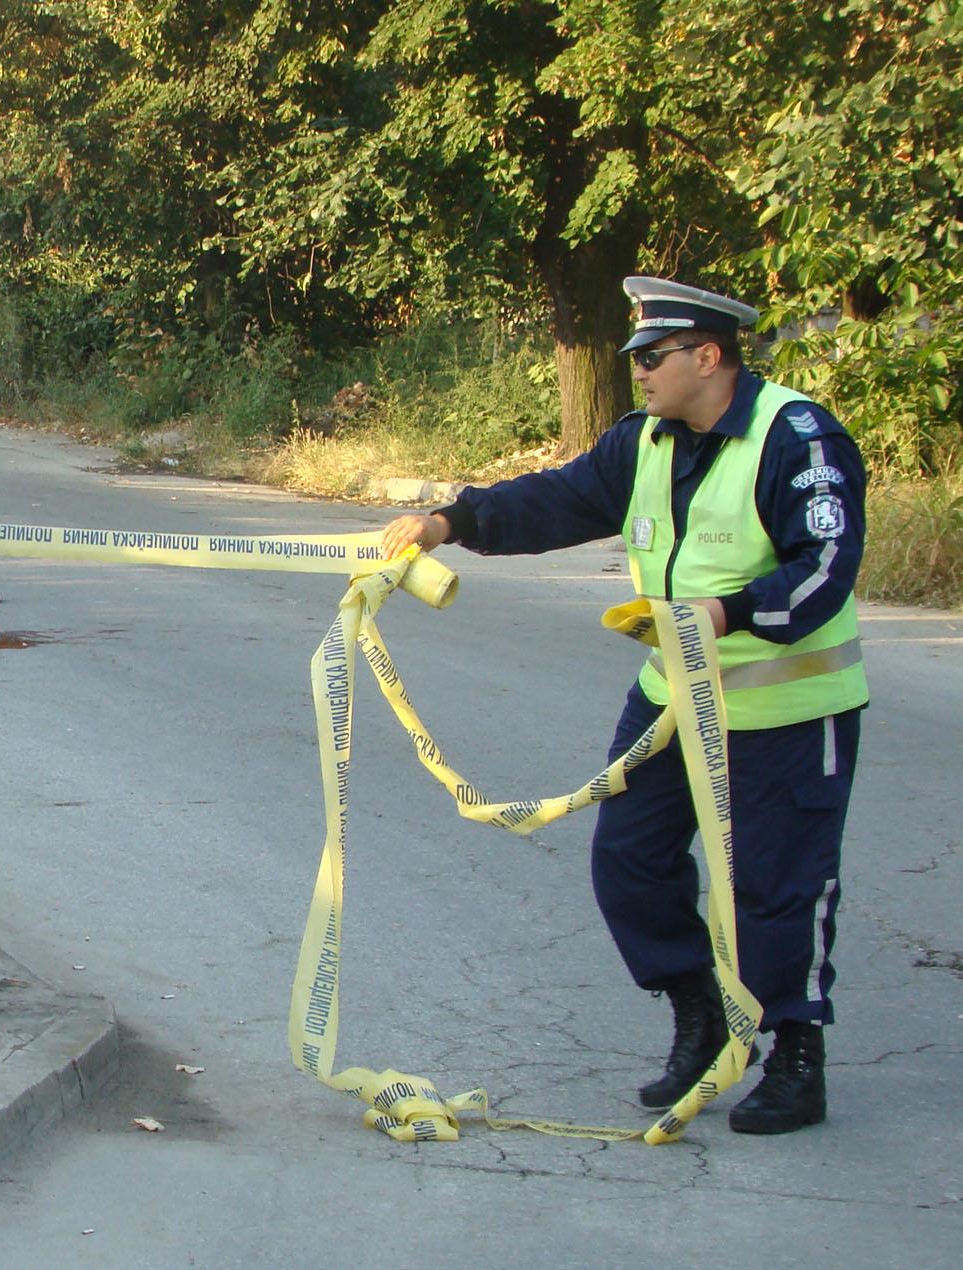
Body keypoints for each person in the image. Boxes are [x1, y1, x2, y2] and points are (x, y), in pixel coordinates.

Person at [378, 277, 867, 1135]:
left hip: (786, 710)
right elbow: (559, 499)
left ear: (707, 357)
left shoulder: (797, 438)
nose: (637, 372)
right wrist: (447, 522)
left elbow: (824, 566)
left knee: (775, 888)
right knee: (629, 865)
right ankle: (700, 1011)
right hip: (672, 700)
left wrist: (725, 614)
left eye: (652, 357)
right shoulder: (644, 441)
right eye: (635, 358)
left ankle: (795, 1052)